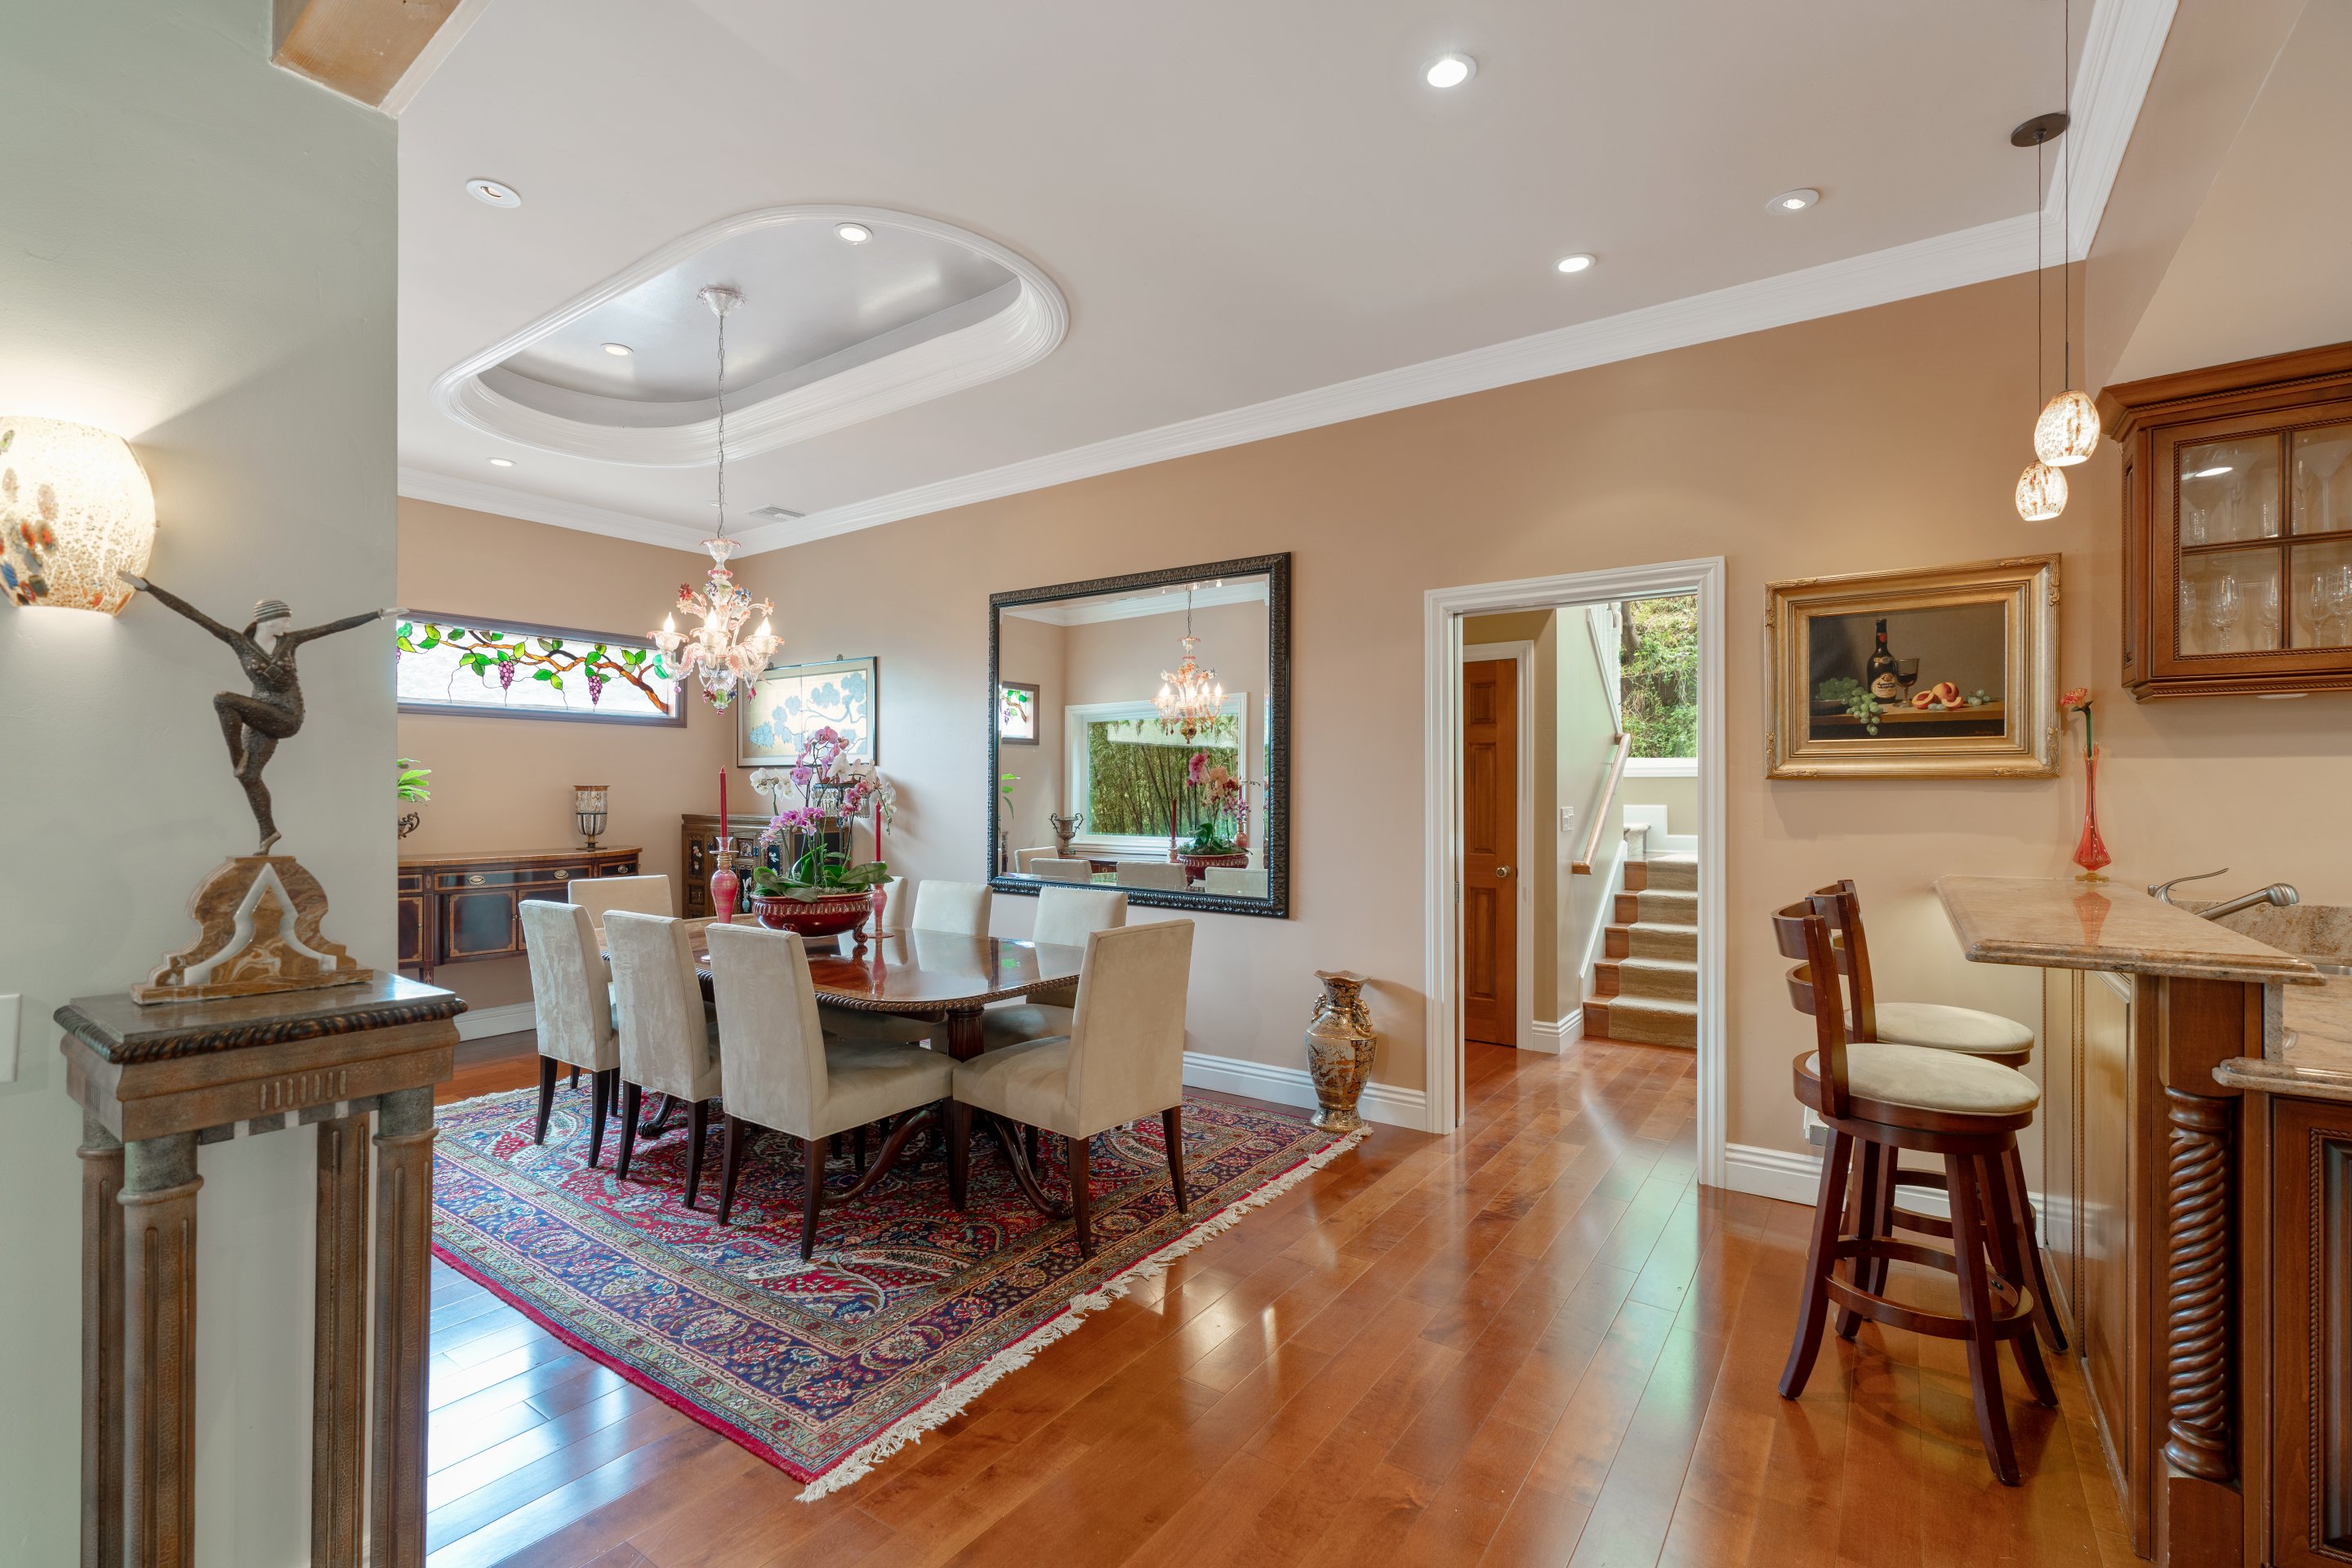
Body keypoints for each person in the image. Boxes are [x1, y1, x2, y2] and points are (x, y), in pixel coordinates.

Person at [118, 571, 393, 853]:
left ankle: (237, 757)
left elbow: (334, 627)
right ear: (268, 620)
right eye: (284, 620)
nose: (288, 625)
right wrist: (148, 588)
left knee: (223, 700)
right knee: (248, 776)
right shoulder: (239, 642)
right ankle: (268, 833)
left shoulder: (290, 641)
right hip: (259, 716)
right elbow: (194, 614)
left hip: (287, 716)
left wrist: (377, 614)